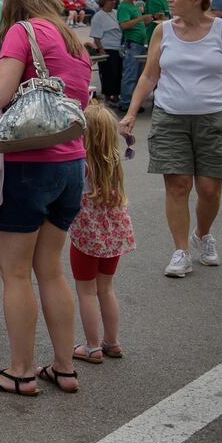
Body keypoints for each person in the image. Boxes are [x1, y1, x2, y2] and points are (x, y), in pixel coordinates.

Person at [0, 0, 91, 396]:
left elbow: (0, 94)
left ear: (13, 9)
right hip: (70, 163)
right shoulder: (74, 42)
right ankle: (65, 367)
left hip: (26, 165)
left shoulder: (24, 31)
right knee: (51, 270)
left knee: (15, 274)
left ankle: (21, 371)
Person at [121, 0, 222, 277]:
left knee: (208, 190)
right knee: (177, 185)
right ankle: (180, 251)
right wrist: (130, 112)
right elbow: (150, 74)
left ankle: (202, 235)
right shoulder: (162, 31)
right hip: (170, 119)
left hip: (214, 118)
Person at [70, 100, 135, 363]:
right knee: (106, 288)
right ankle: (112, 341)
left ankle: (93, 346)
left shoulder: (81, 166)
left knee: (86, 291)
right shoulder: (113, 166)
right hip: (113, 237)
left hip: (86, 238)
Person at [115, 0, 152, 113]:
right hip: (132, 44)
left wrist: (146, 20)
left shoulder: (133, 5)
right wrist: (141, 19)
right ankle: (125, 102)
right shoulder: (124, 6)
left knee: (136, 75)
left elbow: (134, 24)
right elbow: (123, 25)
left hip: (137, 43)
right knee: (130, 74)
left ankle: (130, 102)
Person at [88, 0, 124, 105]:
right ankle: (108, 96)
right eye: (110, 0)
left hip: (119, 47)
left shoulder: (117, 13)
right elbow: (96, 36)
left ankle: (117, 95)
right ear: (104, 2)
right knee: (108, 73)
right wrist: (101, 49)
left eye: (114, 0)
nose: (113, 2)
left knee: (119, 73)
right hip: (107, 48)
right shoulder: (98, 16)